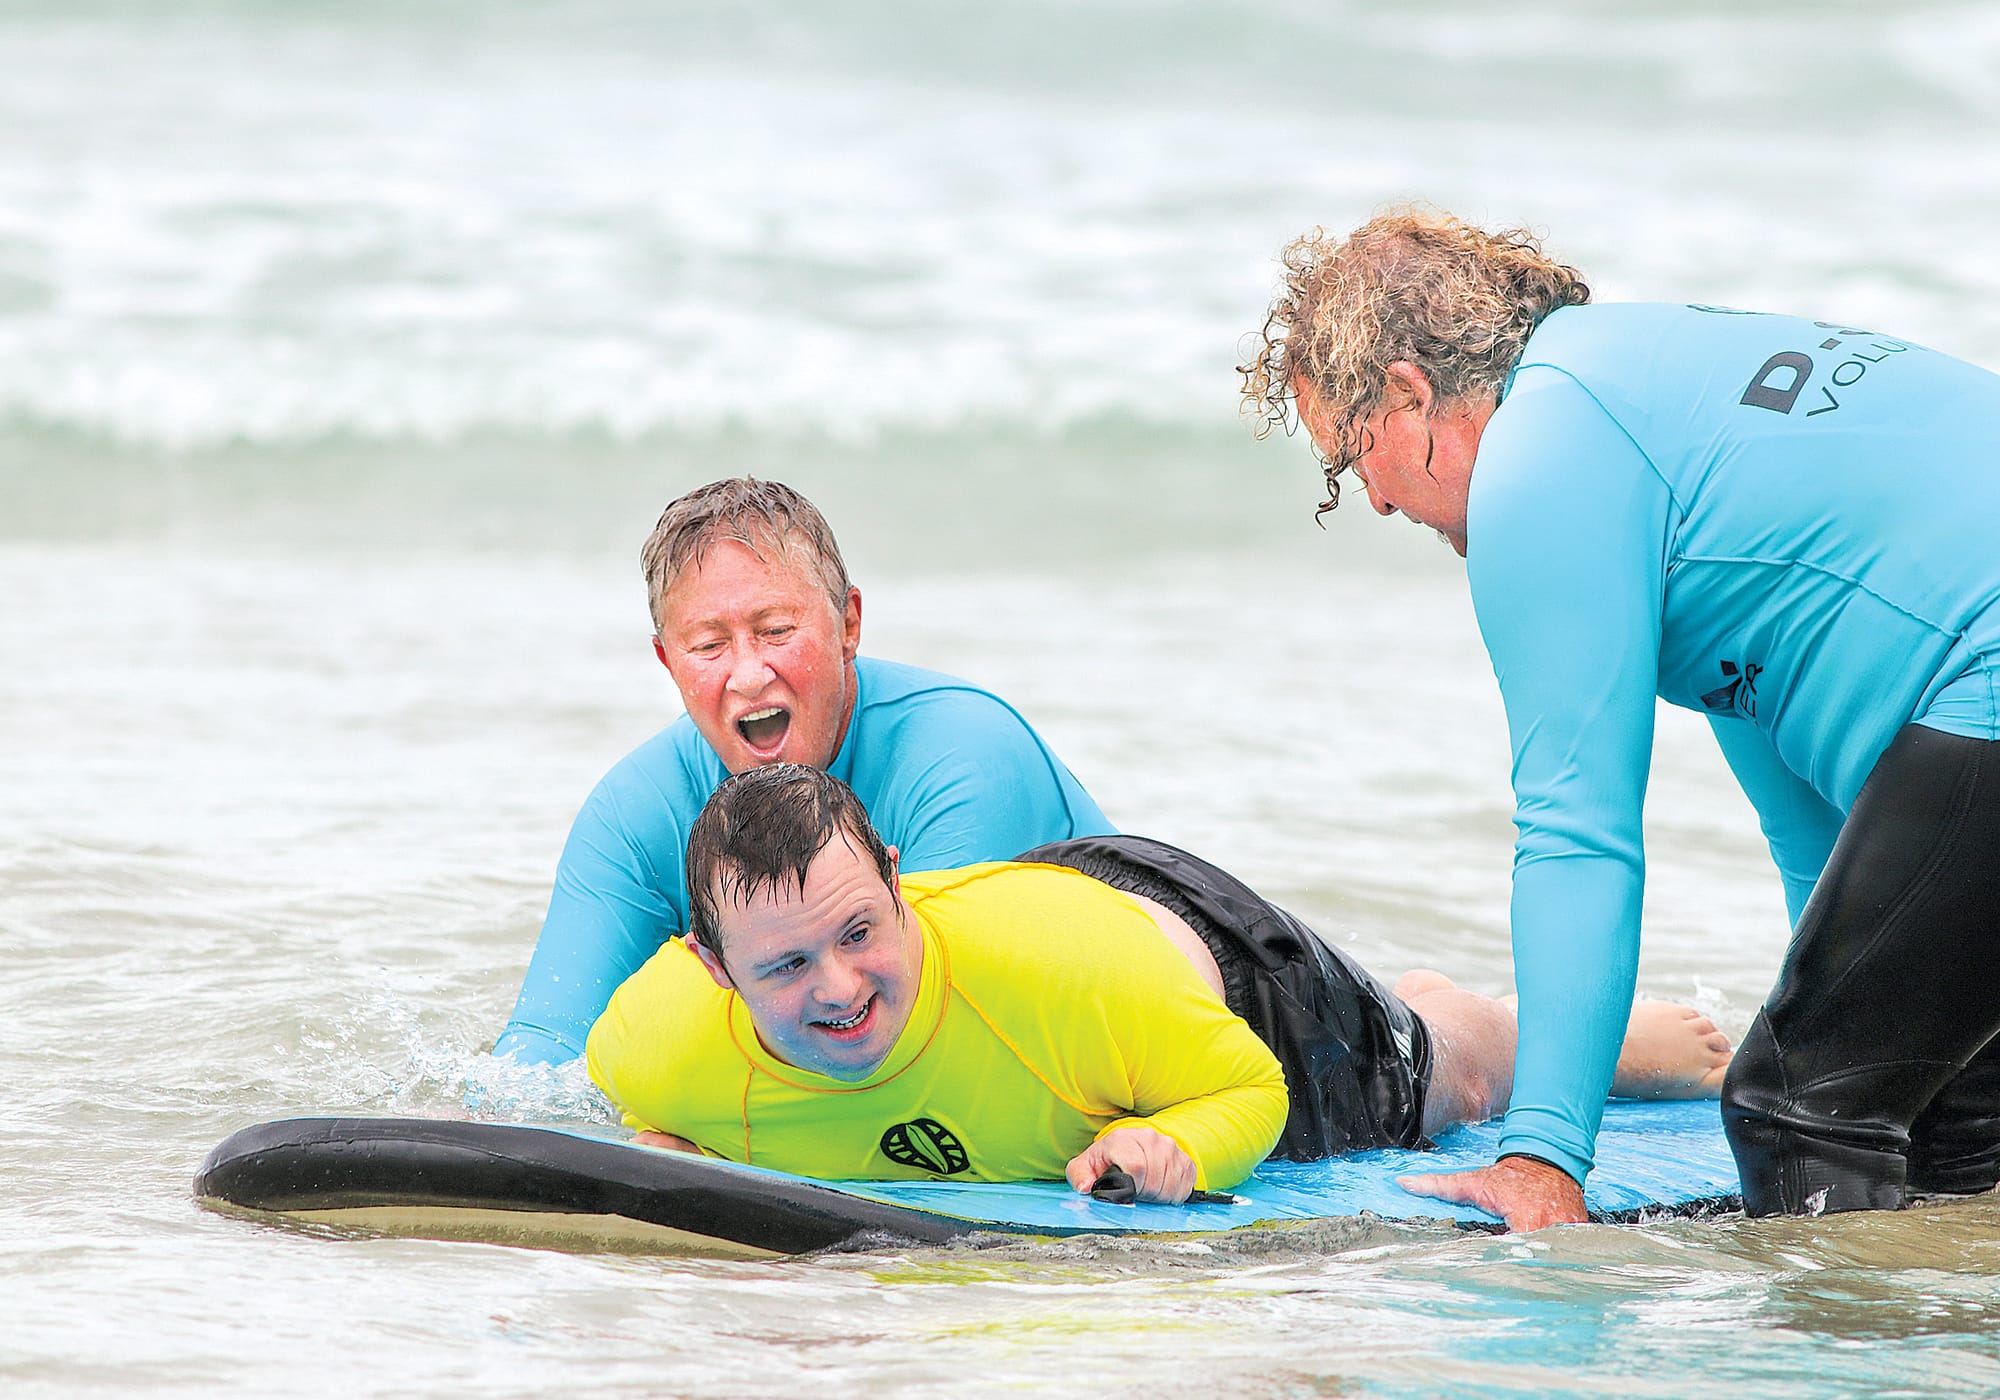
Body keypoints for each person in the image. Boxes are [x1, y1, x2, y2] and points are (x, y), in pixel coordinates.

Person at [1240, 206, 2000, 1225]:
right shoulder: (1654, 397)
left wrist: (1541, 1154)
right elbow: (1811, 825)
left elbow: (1575, 833)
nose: (1371, 502)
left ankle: (1843, 1375)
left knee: (1798, 1108)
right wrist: (1839, 997)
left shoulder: (1542, 456)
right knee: (1933, 1098)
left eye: (1349, 456)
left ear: (1408, 393)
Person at [585, 764, 1732, 1202]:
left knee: (1451, 1079)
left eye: (857, 930)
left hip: (1210, 976)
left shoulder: (1055, 984)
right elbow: (606, 1092)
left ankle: (1492, 1017)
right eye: (784, 965)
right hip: (1078, 947)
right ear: (711, 969)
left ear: (894, 879)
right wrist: (662, 1133)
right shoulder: (660, 1037)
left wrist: (1183, 1143)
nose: (838, 985)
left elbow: (1246, 1086)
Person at [494, 478, 1113, 1066]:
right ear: (667, 660)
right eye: (708, 646)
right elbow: (540, 1059)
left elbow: (901, 1034)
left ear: (848, 624)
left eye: (776, 631)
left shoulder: (965, 758)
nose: (748, 674)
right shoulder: (637, 811)